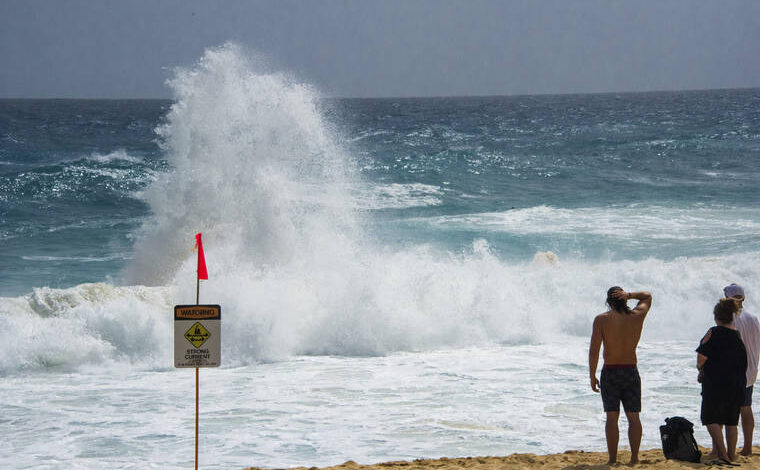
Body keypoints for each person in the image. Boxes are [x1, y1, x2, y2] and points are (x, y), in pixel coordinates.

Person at [589, 287, 653, 465]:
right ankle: (634, 458)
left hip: (610, 372)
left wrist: (592, 375)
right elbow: (648, 296)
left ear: (608, 302)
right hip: (630, 370)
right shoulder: (636, 315)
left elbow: (594, 351)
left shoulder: (602, 320)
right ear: (624, 300)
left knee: (612, 417)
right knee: (634, 416)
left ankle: (612, 460)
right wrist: (631, 295)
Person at [697, 298, 747, 464]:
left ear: (716, 317)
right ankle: (732, 454)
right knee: (731, 420)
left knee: (710, 418)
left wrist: (700, 370)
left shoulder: (713, 332)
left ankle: (723, 455)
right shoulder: (737, 335)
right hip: (737, 383)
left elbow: (701, 357)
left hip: (715, 383)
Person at [724, 283, 760, 456]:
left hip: (733, 372)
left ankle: (727, 449)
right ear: (743, 298)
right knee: (746, 408)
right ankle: (747, 448)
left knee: (728, 411)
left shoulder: (729, 319)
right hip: (751, 371)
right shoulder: (754, 318)